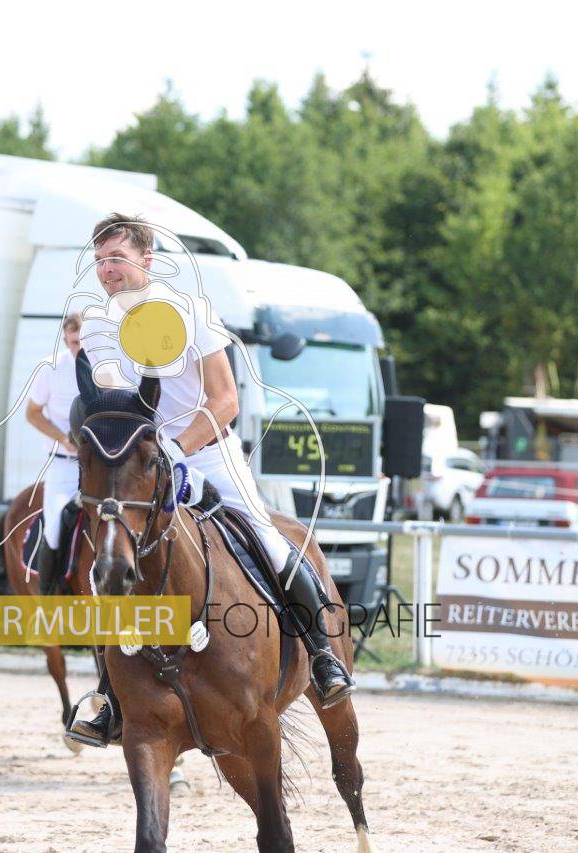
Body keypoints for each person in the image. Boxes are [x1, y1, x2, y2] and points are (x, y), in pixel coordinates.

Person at [69, 213, 354, 746]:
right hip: (140, 467)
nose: (107, 270)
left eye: (117, 259)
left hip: (207, 454)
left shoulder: (191, 311)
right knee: (104, 567)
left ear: (146, 260)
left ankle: (321, 657)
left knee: (271, 542)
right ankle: (110, 696)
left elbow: (225, 399)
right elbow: (112, 404)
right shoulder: (97, 327)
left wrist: (178, 448)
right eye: (100, 261)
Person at [24, 314, 83, 593]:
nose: (79, 349)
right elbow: (33, 414)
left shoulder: (106, 368)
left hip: (101, 465)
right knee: (55, 526)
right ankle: (49, 594)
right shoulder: (51, 369)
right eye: (74, 343)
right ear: (65, 340)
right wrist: (62, 439)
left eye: (83, 342)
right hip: (65, 465)